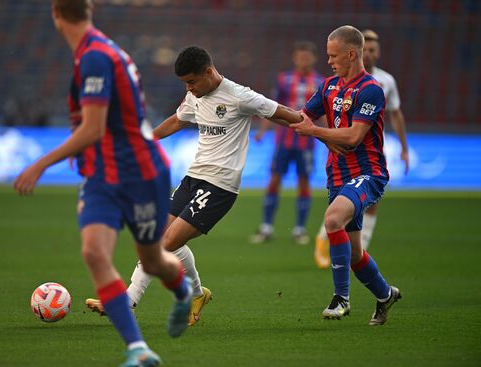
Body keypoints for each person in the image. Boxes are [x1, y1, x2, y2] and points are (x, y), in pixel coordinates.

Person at [14, 1, 191, 366]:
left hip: (140, 173)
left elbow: (92, 128)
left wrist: (41, 164)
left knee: (154, 260)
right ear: (89, 10)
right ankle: (137, 348)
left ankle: (182, 292)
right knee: (94, 252)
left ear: (56, 15)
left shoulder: (96, 56)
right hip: (102, 175)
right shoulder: (95, 52)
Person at [85, 45, 315, 327]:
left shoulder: (239, 96)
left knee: (164, 244)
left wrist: (323, 134)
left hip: (220, 185)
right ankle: (197, 294)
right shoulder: (195, 96)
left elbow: (281, 112)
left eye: (192, 82)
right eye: (185, 84)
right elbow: (177, 120)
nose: (190, 88)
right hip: (193, 178)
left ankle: (126, 302)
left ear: (208, 72)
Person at [286, 25, 402, 325]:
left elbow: (353, 137)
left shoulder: (370, 89)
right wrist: (259, 107)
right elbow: (303, 117)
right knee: (353, 255)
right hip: (337, 176)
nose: (329, 61)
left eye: (333, 55)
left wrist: (315, 132)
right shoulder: (329, 86)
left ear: (352, 54)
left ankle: (341, 299)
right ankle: (385, 294)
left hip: (368, 173)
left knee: (332, 219)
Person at [314, 29, 410, 267]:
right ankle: (323, 239)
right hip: (342, 153)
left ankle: (360, 244)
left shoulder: (384, 82)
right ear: (357, 51)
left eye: (373, 50)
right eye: (366, 49)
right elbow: (317, 112)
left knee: (367, 203)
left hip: (370, 150)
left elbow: (396, 115)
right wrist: (329, 137)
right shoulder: (334, 84)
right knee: (338, 208)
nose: (369, 53)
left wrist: (404, 148)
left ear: (377, 53)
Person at [250, 41, 324, 245]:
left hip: (306, 143)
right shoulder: (284, 80)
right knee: (274, 180)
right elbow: (271, 108)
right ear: (295, 58)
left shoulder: (321, 82)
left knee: (304, 183)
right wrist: (263, 131)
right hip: (283, 141)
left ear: (314, 59)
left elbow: (324, 113)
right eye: (301, 56)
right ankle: (266, 227)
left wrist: (328, 136)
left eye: (307, 57)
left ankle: (299, 230)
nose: (304, 60)